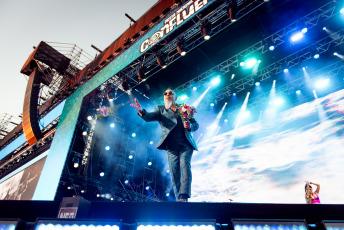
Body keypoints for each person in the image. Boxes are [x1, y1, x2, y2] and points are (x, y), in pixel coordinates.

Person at [130, 89, 199, 202]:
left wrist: (190, 125)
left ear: (175, 97)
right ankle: (180, 200)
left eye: (170, 93)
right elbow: (149, 117)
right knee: (174, 171)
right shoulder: (160, 109)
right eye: (165, 93)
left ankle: (184, 195)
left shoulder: (184, 108)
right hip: (171, 146)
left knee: (184, 165)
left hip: (186, 143)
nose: (167, 95)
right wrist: (141, 111)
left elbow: (195, 124)